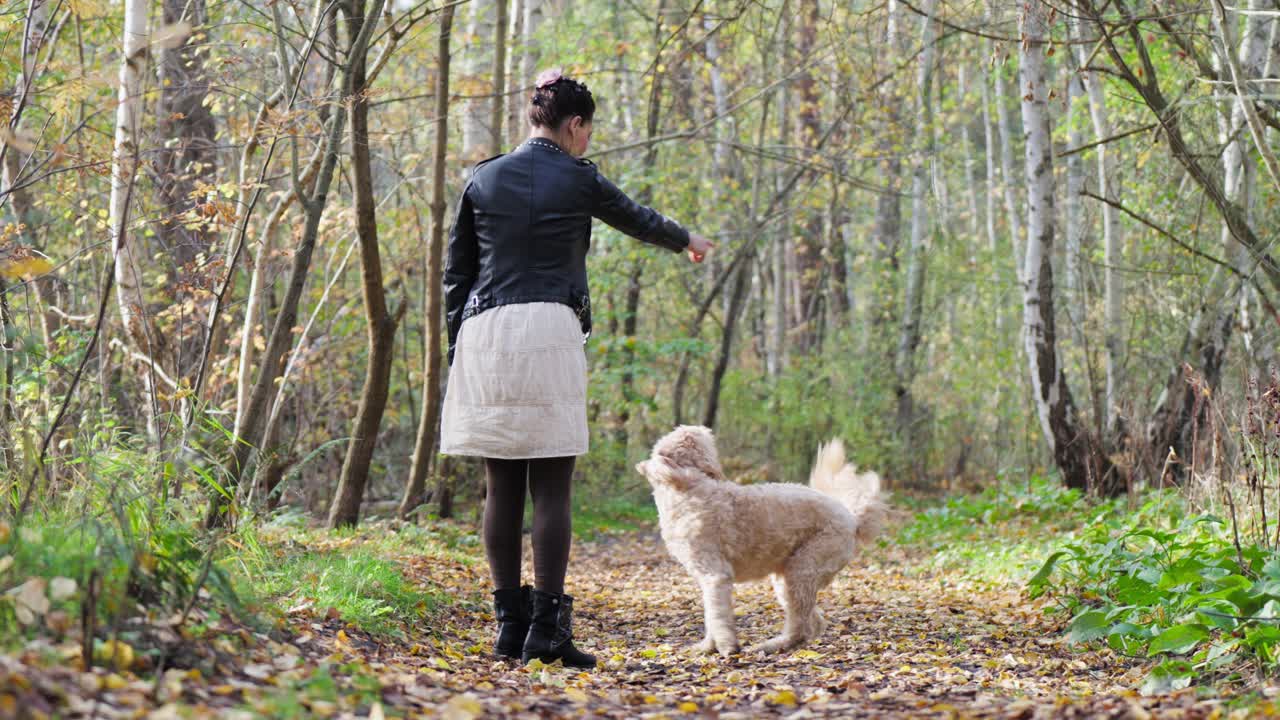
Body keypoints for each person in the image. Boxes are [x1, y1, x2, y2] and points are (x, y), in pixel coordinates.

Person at [439, 68, 714, 669]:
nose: (588, 141)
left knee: (502, 484)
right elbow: (636, 217)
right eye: (587, 131)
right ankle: (548, 631)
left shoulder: (482, 178)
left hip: (484, 332)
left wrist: (456, 350)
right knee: (553, 486)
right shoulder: (578, 177)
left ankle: (508, 630)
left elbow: (456, 274)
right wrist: (686, 237)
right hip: (549, 329)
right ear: (574, 124)